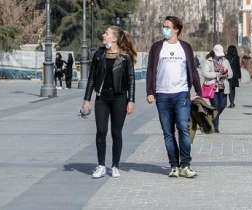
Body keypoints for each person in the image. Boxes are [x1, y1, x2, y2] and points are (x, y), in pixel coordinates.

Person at [145, 16, 202, 179]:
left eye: (168, 26)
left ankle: (185, 165)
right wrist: (150, 91)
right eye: (163, 26)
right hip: (162, 94)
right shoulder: (157, 47)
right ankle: (174, 166)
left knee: (183, 129)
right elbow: (150, 70)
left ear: (176, 29)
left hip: (181, 94)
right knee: (168, 132)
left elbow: (192, 69)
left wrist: (198, 90)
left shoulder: (185, 47)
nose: (164, 29)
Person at [82, 26, 136, 178]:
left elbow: (131, 80)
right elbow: (92, 77)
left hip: (119, 98)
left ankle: (115, 166)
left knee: (116, 133)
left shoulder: (125, 57)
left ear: (115, 38)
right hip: (102, 98)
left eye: (106, 33)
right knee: (101, 131)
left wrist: (131, 100)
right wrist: (86, 99)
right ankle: (101, 165)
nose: (103, 35)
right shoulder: (99, 54)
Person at [200, 44, 232, 133]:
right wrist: (217, 75)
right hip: (213, 87)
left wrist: (226, 74)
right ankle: (215, 127)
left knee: (223, 105)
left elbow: (231, 74)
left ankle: (209, 118)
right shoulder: (208, 61)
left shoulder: (225, 61)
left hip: (223, 86)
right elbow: (205, 73)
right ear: (214, 53)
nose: (220, 56)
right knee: (215, 106)